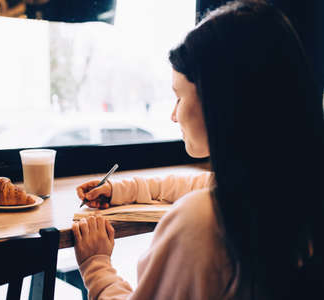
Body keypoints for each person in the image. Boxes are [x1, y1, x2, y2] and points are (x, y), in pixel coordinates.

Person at [71, 0, 324, 299]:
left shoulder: (203, 222)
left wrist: (96, 266)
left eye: (179, 97)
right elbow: (198, 183)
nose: (173, 115)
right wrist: (123, 190)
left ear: (219, 101)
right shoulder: (289, 191)